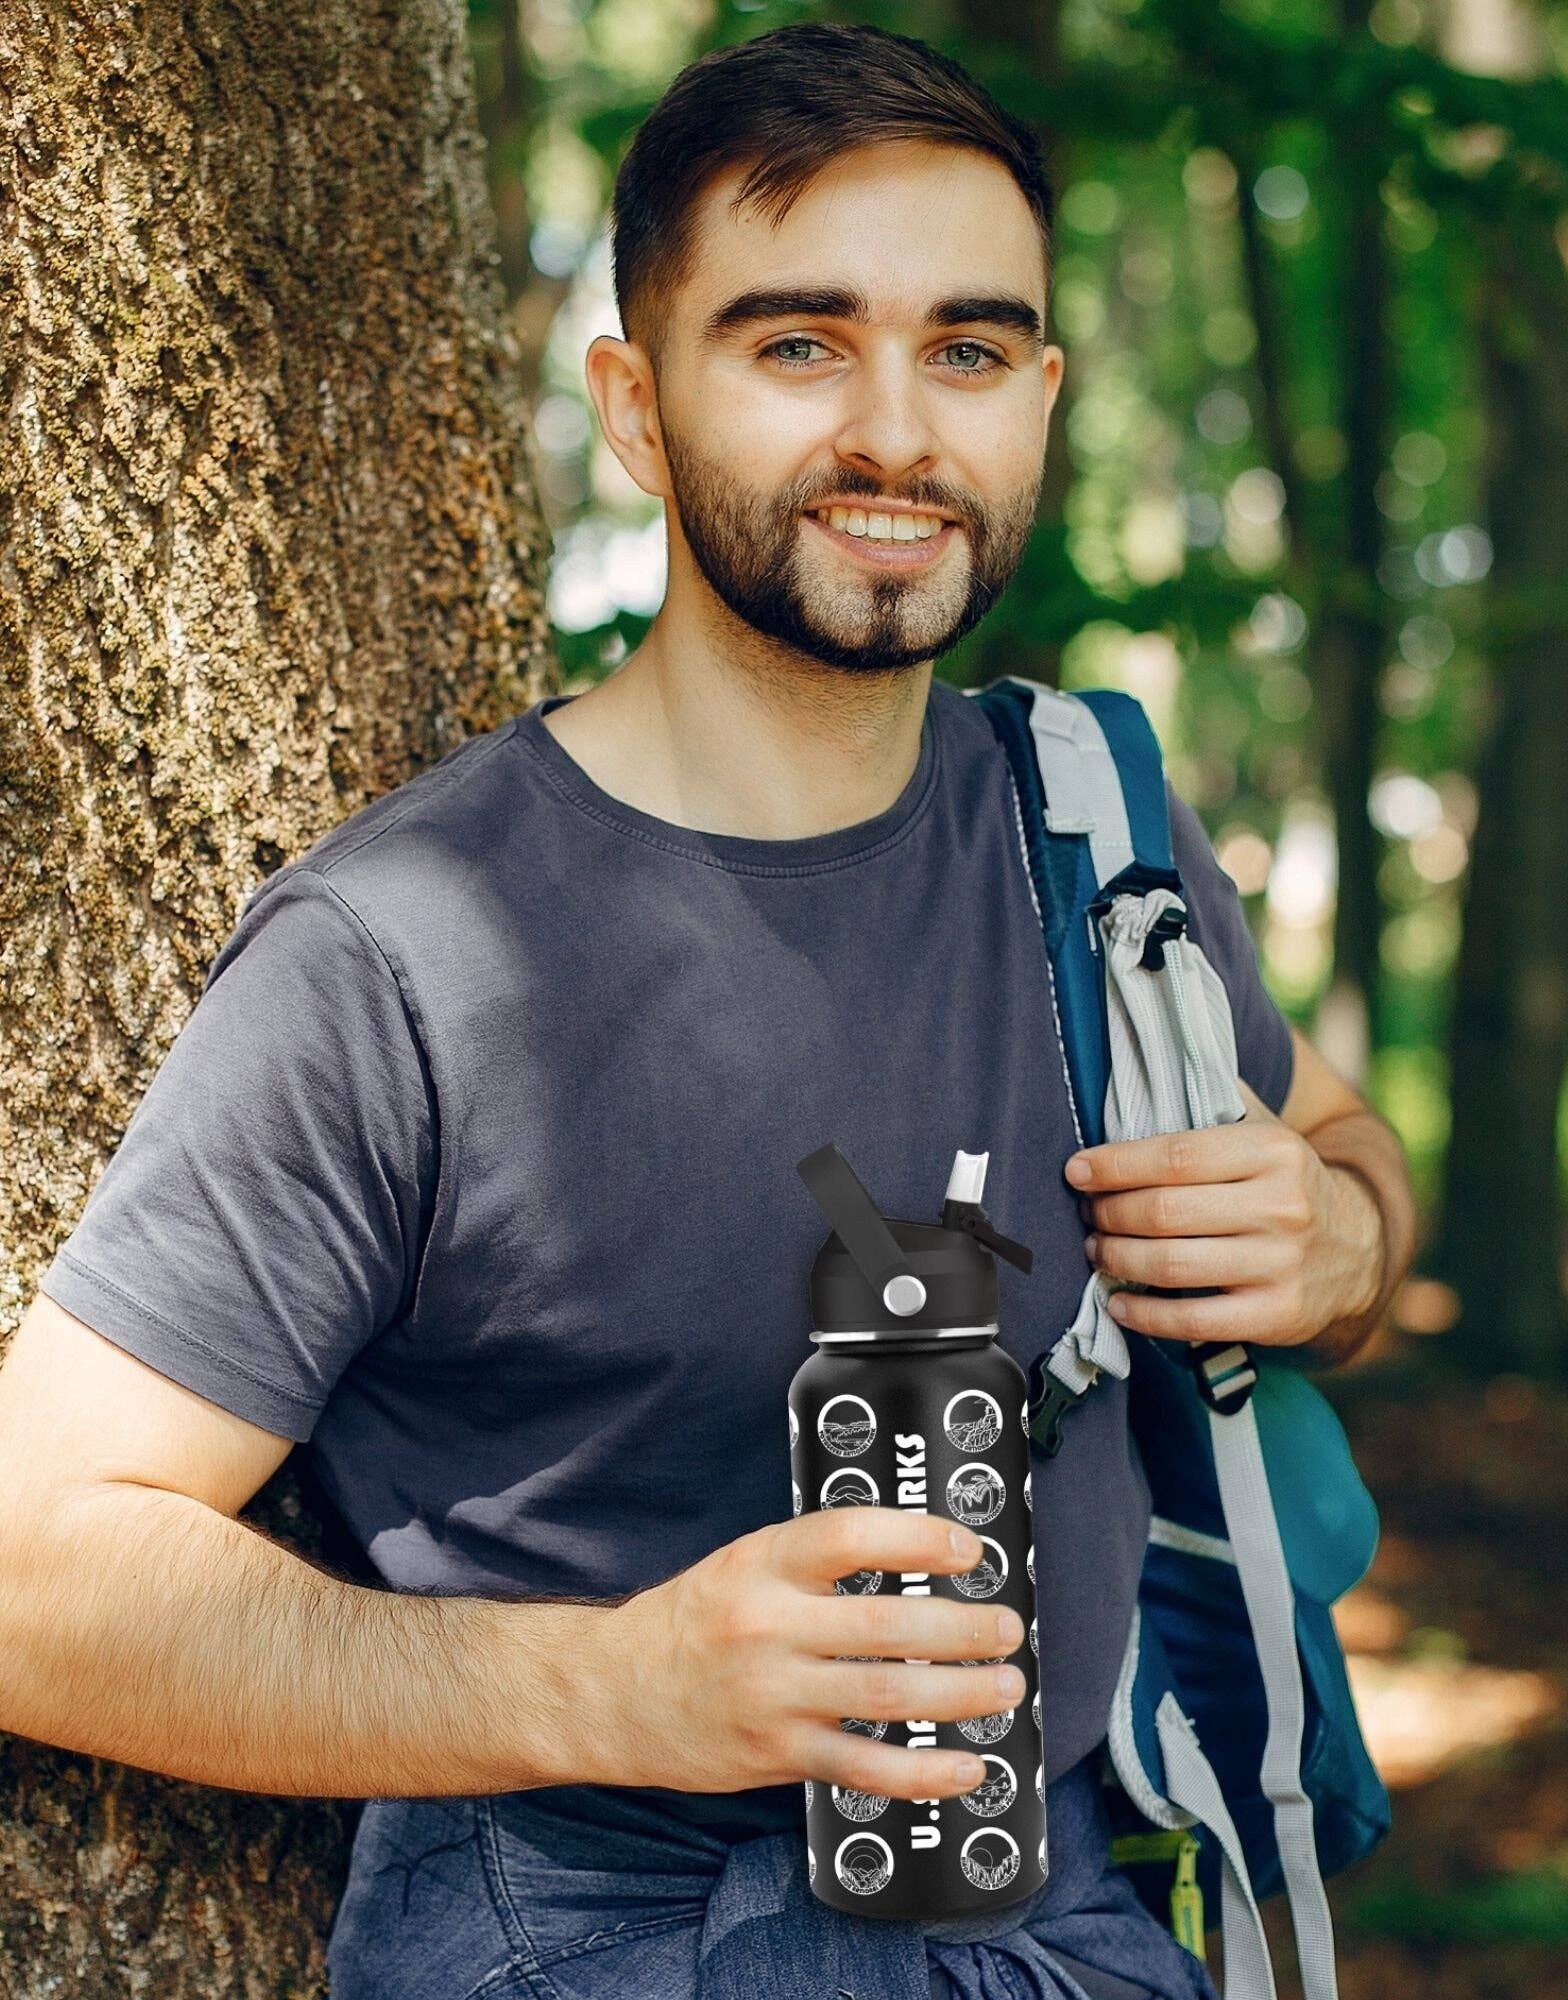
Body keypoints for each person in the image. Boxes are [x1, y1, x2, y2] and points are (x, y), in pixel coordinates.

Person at [0, 21, 1415, 1998]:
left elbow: (1343, 1164)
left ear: (1042, 401)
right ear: (637, 408)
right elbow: (33, 1566)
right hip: (594, 1925)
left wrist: (1338, 1230)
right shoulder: (412, 947)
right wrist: (610, 1684)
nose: (901, 434)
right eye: (797, 344)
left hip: (1071, 1899)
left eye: (972, 350)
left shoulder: (1084, 819)